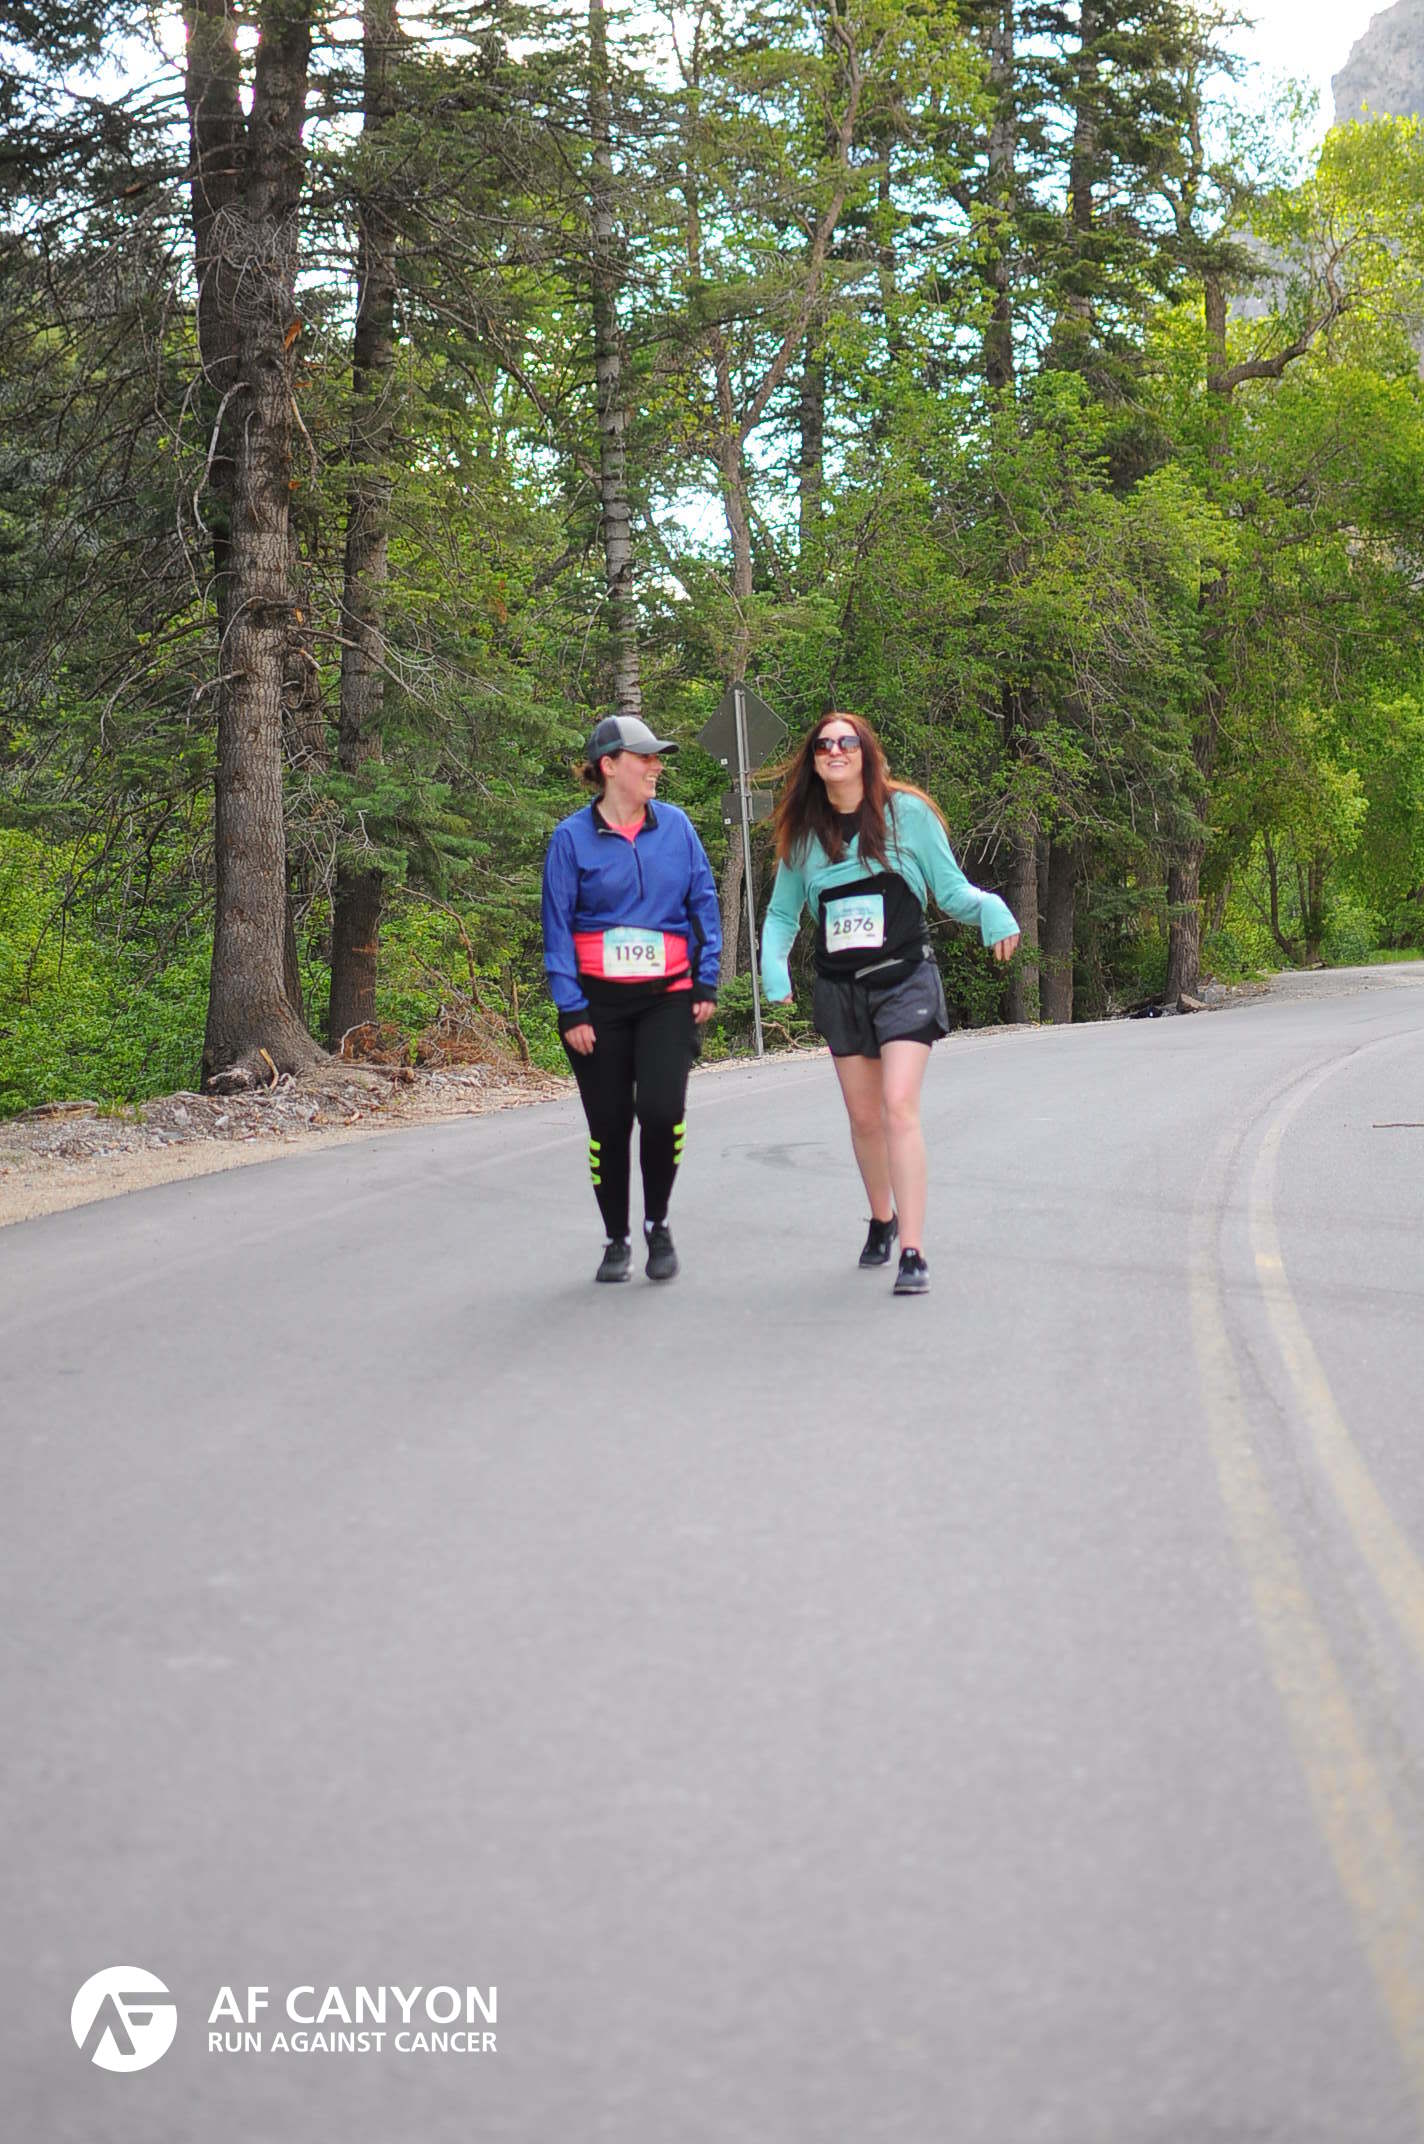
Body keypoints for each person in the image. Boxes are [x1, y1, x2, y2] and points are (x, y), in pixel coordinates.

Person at [760, 711, 1020, 1296]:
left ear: (866, 752)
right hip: (841, 988)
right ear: (814, 762)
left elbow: (951, 890)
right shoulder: (804, 835)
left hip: (905, 979)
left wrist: (993, 909)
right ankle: (883, 1218)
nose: (835, 751)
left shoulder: (908, 814)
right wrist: (773, 967)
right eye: (824, 745)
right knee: (864, 1118)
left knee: (899, 1106)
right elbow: (781, 915)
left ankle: (913, 1251)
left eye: (847, 742)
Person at [542, 713, 721, 1283]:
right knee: (610, 1124)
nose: (656, 766)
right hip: (598, 1008)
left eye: (656, 757)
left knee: (663, 1112)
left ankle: (657, 1224)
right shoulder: (570, 839)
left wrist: (706, 979)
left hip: (668, 998)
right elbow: (557, 929)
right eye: (645, 757)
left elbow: (703, 902)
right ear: (610, 766)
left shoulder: (677, 828)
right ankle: (616, 1238)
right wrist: (571, 1007)